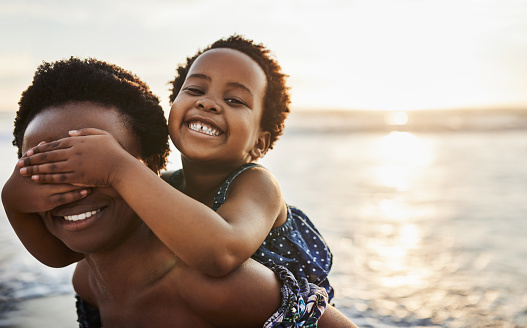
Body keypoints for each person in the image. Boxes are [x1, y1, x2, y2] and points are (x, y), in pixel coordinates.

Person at [2, 57, 358, 327]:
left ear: (149, 172)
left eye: (95, 164)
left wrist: (116, 167)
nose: (73, 189)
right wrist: (12, 200)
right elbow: (53, 254)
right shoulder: (88, 281)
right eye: (48, 168)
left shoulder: (218, 287)